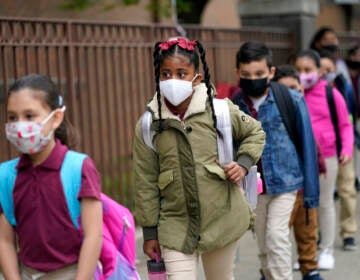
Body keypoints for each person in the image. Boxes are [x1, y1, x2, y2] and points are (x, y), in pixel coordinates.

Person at [132, 37, 265, 280]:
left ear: (197, 77)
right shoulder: (149, 124)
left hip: (222, 218)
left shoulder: (221, 111)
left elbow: (255, 132)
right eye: (166, 73)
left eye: (181, 73)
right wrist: (150, 232)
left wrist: (244, 164)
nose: (173, 80)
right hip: (175, 226)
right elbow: (145, 180)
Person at [0, 74, 103, 279]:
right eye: (13, 117)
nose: (19, 125)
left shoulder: (78, 167)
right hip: (26, 273)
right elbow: (4, 240)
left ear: (55, 118)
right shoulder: (6, 176)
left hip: (73, 272)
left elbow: (93, 236)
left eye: (29, 116)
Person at [231, 42, 319, 280]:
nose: (253, 79)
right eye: (246, 74)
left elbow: (307, 145)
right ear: (237, 73)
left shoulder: (290, 99)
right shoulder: (234, 106)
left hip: (287, 183)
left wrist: (311, 194)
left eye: (259, 74)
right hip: (254, 188)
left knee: (276, 238)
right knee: (263, 245)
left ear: (271, 72)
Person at [294, 50, 354, 269]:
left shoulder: (332, 94)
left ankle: (326, 249)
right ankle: (306, 252)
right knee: (302, 208)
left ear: (319, 72)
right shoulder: (292, 93)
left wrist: (346, 148)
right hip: (298, 156)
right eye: (299, 70)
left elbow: (345, 124)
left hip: (326, 156)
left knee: (325, 202)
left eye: (308, 70)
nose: (303, 75)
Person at [273, 64, 324, 280]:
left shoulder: (304, 110)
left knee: (308, 231)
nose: (292, 94)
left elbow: (312, 146)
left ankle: (309, 267)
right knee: (277, 235)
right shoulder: (276, 118)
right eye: (286, 90)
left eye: (295, 88)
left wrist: (320, 165)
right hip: (284, 188)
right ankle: (270, 270)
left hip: (305, 187)